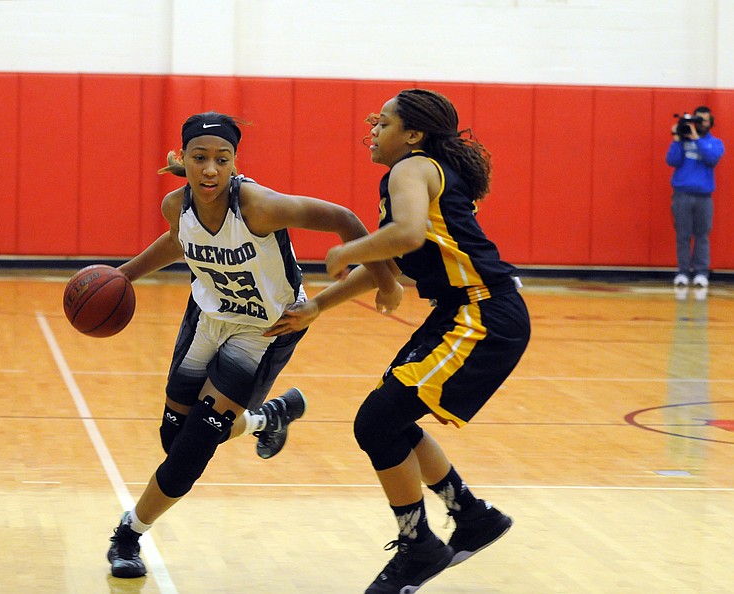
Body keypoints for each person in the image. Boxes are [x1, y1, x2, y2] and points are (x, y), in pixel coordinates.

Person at [105, 111, 402, 579]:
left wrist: (385, 281)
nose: (210, 169)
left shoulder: (259, 206)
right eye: (199, 159)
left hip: (265, 328)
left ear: (235, 163)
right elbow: (178, 243)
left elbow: (344, 219)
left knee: (195, 447)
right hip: (207, 317)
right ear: (183, 158)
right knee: (173, 439)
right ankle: (269, 417)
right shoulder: (173, 207)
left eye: (222, 160)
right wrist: (123, 276)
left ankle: (128, 534)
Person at [267, 89, 531, 593]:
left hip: (482, 313)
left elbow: (406, 235)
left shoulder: (412, 169)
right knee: (389, 419)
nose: (372, 128)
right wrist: (319, 305)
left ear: (412, 134)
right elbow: (391, 260)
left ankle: (419, 545)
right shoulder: (414, 176)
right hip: (464, 313)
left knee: (377, 421)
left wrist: (349, 248)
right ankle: (472, 516)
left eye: (382, 122)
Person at [667, 106, 725, 289]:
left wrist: (697, 139)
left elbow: (711, 159)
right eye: (697, 120)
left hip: (704, 197)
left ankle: (701, 273)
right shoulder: (682, 142)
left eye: (704, 121)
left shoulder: (716, 143)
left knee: (702, 236)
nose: (701, 124)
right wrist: (677, 140)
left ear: (710, 123)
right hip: (682, 195)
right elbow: (672, 161)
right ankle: (682, 272)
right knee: (682, 236)